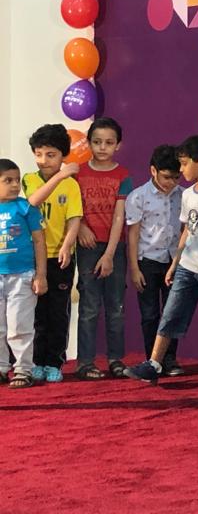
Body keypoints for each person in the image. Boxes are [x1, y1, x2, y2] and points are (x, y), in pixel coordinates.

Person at [127, 135, 198, 389]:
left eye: (184, 164)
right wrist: (175, 264)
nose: (181, 170)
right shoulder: (189, 195)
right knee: (171, 315)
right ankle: (154, 363)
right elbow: (187, 232)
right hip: (187, 267)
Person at [74, 117, 133, 379]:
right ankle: (85, 363)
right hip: (87, 245)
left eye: (109, 143)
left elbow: (120, 216)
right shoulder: (77, 173)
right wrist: (81, 227)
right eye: (97, 142)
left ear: (118, 145)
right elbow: (72, 209)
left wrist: (109, 254)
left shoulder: (123, 175)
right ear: (88, 143)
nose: (102, 147)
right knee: (89, 306)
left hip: (114, 248)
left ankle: (115, 359)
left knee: (116, 307)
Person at [23, 124, 82, 383]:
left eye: (51, 155)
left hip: (60, 257)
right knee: (37, 313)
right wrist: (59, 177)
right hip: (33, 257)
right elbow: (32, 203)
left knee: (58, 312)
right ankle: (37, 361)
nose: (44, 160)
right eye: (39, 154)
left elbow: (74, 219)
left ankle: (54, 362)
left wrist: (67, 245)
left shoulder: (71, 186)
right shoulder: (28, 179)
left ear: (62, 155)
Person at [125, 144, 185, 377]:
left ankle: (169, 359)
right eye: (167, 177)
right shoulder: (138, 196)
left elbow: (185, 229)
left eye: (176, 177)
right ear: (153, 170)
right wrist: (134, 268)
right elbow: (133, 234)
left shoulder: (183, 195)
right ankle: (152, 361)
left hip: (174, 260)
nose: (172, 182)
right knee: (150, 314)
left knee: (173, 312)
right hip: (148, 261)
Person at [0, 159, 47, 389]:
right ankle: (1, 367)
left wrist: (41, 275)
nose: (15, 185)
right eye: (8, 180)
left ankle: (23, 369)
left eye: (17, 180)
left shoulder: (26, 208)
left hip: (22, 277)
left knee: (19, 325)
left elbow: (39, 241)